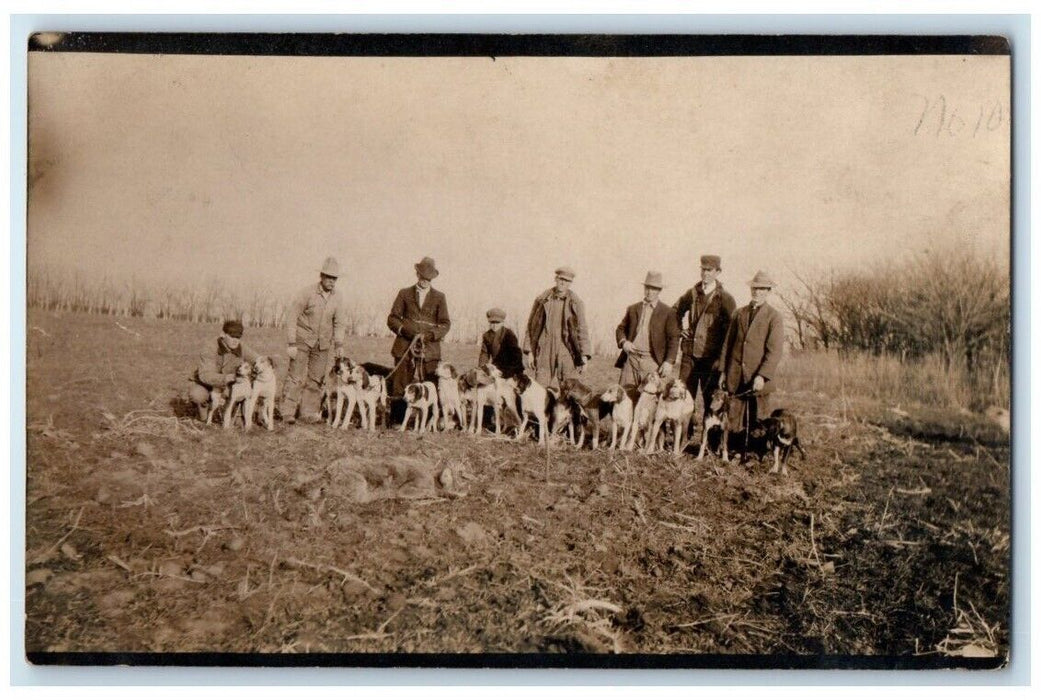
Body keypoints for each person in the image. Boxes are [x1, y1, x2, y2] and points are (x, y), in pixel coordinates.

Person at [717, 270, 785, 436]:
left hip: (757, 379)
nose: (757, 292)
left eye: (762, 289)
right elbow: (727, 344)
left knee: (759, 421)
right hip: (735, 375)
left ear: (768, 292)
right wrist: (723, 372)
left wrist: (762, 376)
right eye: (754, 288)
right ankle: (734, 451)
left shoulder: (774, 317)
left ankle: (755, 455)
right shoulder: (739, 314)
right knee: (734, 417)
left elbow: (774, 352)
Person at [280, 256, 347, 424]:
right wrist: (291, 343)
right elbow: (292, 317)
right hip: (302, 341)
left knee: (316, 379)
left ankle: (308, 413)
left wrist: (339, 344)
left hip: (323, 345)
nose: (332, 281)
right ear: (322, 277)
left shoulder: (338, 298)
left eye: (335, 278)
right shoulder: (306, 293)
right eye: (329, 277)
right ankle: (287, 412)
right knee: (295, 377)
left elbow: (339, 323)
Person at [673, 254, 737, 416]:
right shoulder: (692, 293)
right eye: (703, 270)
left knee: (711, 399)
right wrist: (680, 329)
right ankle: (683, 438)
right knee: (685, 396)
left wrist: (721, 359)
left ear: (718, 272)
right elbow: (675, 311)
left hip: (711, 359)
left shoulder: (725, 298)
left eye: (709, 270)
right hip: (689, 356)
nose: (705, 273)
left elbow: (731, 330)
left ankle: (710, 440)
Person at [387, 256, 452, 400]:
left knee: (430, 386)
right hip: (404, 347)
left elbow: (445, 323)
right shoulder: (404, 293)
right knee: (400, 384)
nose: (425, 281)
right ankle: (398, 419)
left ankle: (428, 421)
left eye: (429, 278)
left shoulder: (440, 297)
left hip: (429, 350)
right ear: (417, 274)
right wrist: (404, 330)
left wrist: (431, 335)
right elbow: (392, 319)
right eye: (423, 276)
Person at [522, 266, 592, 390]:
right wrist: (529, 351)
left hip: (566, 348)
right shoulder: (541, 300)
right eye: (561, 279)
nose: (563, 283)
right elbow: (531, 326)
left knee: (569, 388)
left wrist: (585, 355)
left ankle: (567, 410)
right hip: (544, 348)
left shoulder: (576, 303)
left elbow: (582, 329)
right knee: (540, 387)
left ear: (570, 283)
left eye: (567, 281)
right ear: (556, 278)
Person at [614, 271, 680, 387]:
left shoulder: (668, 312)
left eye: (654, 289)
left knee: (649, 398)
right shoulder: (633, 309)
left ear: (659, 291)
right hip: (631, 360)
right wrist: (624, 342)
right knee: (625, 396)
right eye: (647, 288)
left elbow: (673, 339)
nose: (649, 292)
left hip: (653, 362)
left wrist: (669, 361)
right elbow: (620, 329)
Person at [188, 320, 258, 421]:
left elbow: (257, 360)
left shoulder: (241, 347)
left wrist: (267, 366)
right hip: (206, 384)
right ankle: (205, 411)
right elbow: (205, 375)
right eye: (232, 336)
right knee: (197, 394)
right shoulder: (209, 348)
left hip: (228, 387)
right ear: (223, 334)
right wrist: (229, 378)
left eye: (238, 337)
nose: (235, 340)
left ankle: (230, 410)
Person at [479, 307, 524, 378]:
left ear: (502, 323)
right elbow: (484, 353)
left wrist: (513, 371)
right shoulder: (486, 336)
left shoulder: (509, 334)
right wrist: (482, 368)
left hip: (511, 367)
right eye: (492, 322)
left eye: (497, 322)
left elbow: (516, 354)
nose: (494, 325)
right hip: (496, 367)